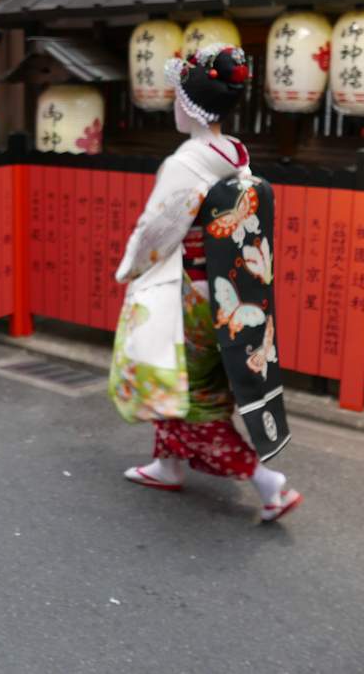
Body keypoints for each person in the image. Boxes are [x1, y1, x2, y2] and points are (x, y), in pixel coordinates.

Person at [108, 42, 301, 523]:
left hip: (188, 294)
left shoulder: (186, 162)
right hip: (222, 289)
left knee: (194, 398)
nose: (173, 104)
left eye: (176, 96)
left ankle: (267, 482)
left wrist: (130, 266)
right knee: (191, 385)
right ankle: (167, 464)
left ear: (188, 104)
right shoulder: (235, 154)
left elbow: (160, 228)